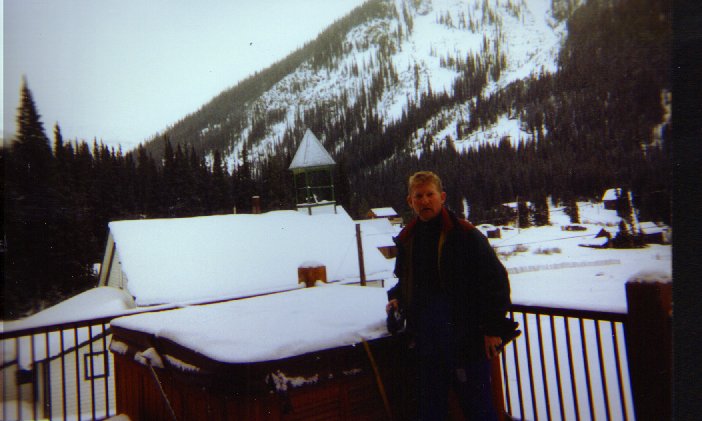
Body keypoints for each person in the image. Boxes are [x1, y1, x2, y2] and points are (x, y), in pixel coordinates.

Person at [386, 171, 513, 420]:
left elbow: (496, 281)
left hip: (467, 339)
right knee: (431, 409)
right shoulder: (409, 239)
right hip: (427, 341)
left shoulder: (465, 234)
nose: (425, 201)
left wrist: (492, 329)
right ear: (410, 201)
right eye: (418, 196)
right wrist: (397, 297)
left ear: (442, 197)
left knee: (478, 408)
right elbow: (407, 281)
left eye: (430, 194)